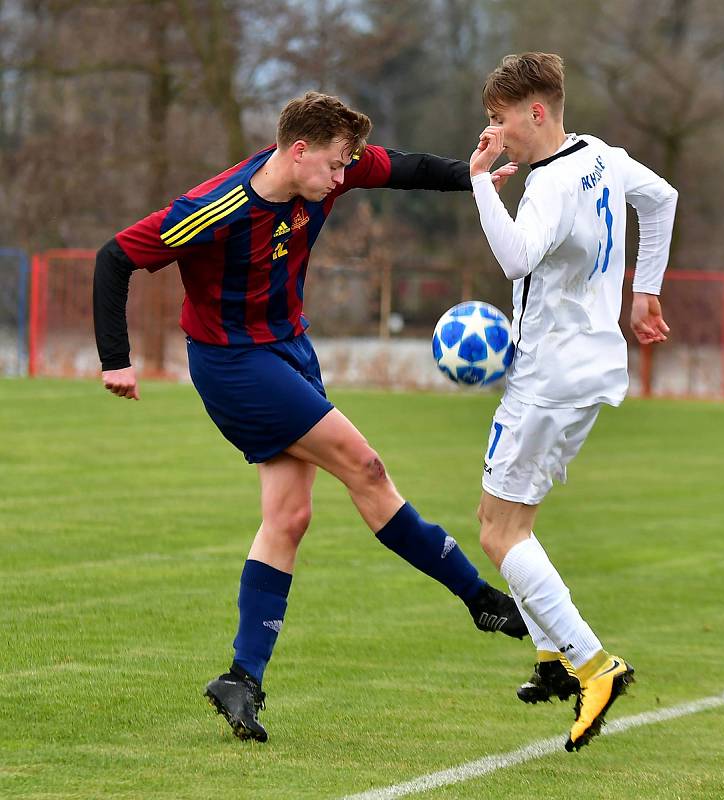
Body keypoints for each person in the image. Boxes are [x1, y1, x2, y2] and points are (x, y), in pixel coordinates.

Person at [93, 91, 526, 743]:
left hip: (290, 349)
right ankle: (479, 599)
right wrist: (115, 358)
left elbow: (402, 168)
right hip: (234, 363)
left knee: (289, 518)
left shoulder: (330, 173)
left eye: (345, 165)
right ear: (297, 152)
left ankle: (241, 678)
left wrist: (470, 176)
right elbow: (115, 257)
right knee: (366, 467)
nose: (340, 177)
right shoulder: (216, 207)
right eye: (331, 165)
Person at [468, 53, 677, 751]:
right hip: (591, 368)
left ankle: (593, 664)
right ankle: (554, 658)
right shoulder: (604, 158)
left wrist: (478, 186)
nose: (494, 134)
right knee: (509, 519)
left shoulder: (547, 185)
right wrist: (642, 290)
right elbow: (662, 198)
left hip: (547, 377)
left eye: (499, 121)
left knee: (499, 532)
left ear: (536, 112)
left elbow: (515, 258)